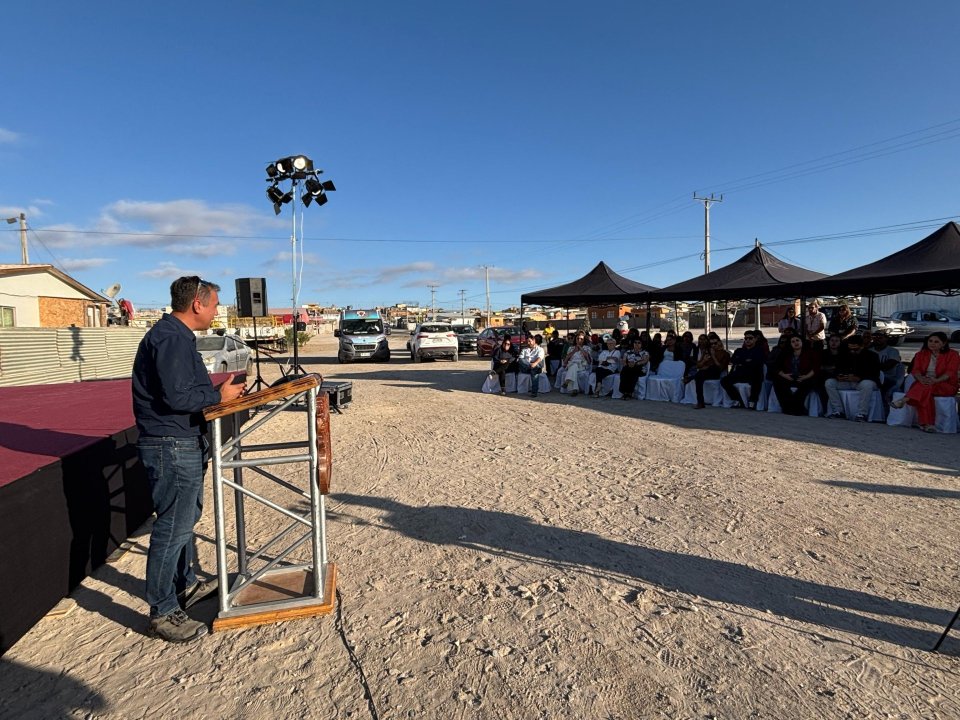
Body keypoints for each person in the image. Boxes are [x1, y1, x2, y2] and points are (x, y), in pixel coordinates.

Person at [132, 276, 245, 643]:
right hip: (170, 444)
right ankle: (163, 610)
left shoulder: (176, 337)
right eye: (213, 305)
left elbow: (184, 391)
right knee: (173, 527)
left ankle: (185, 586)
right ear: (197, 304)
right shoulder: (170, 338)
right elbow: (179, 398)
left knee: (185, 518)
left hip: (181, 441)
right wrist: (219, 397)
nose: (215, 311)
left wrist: (217, 393)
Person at [892, 331, 960, 432]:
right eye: (930, 341)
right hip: (924, 382)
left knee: (925, 388)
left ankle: (905, 400)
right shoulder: (921, 354)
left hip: (945, 384)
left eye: (936, 342)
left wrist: (936, 380)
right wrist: (921, 378)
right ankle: (927, 425)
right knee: (926, 393)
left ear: (944, 343)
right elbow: (916, 370)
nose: (932, 343)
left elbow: (950, 372)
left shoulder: (953, 354)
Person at [824, 335, 880, 421]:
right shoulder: (844, 354)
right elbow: (837, 368)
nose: (853, 351)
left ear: (862, 346)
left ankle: (862, 414)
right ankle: (838, 411)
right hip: (847, 381)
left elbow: (874, 373)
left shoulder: (872, 356)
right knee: (829, 383)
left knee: (867, 384)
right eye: (850, 349)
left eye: (855, 349)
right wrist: (839, 376)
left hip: (863, 381)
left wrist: (859, 378)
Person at [773, 335, 820, 416]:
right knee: (778, 383)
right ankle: (786, 407)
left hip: (806, 377)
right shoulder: (785, 353)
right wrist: (785, 375)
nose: (796, 343)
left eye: (797, 340)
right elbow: (776, 366)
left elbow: (815, 368)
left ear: (802, 341)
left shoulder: (810, 352)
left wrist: (805, 377)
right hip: (789, 377)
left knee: (806, 386)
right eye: (793, 341)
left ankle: (797, 408)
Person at [720, 331, 765, 408]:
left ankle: (752, 401)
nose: (747, 340)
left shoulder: (759, 351)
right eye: (746, 338)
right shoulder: (739, 350)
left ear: (755, 339)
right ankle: (737, 399)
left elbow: (756, 363)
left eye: (750, 338)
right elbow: (733, 361)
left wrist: (742, 362)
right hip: (739, 373)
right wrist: (746, 361)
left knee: (757, 378)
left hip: (752, 374)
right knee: (724, 380)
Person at [692, 334, 730, 409]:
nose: (713, 345)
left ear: (719, 342)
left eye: (715, 343)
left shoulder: (725, 354)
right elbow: (698, 365)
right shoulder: (707, 352)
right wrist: (704, 360)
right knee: (698, 376)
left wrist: (713, 357)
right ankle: (700, 402)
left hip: (716, 372)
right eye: (711, 344)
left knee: (704, 372)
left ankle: (691, 377)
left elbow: (720, 367)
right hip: (705, 372)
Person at [870, 330, 904, 404]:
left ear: (886, 338)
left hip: (889, 377)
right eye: (875, 337)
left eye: (880, 337)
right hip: (873, 377)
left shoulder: (893, 351)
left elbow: (888, 366)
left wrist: (873, 367)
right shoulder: (869, 350)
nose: (877, 339)